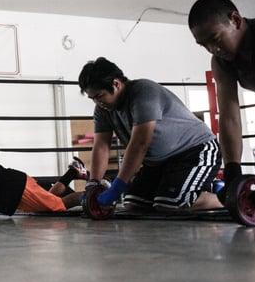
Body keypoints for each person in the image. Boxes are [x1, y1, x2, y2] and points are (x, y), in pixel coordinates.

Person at [78, 57, 222, 211]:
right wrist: (93, 183)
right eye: (92, 98)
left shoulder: (143, 92)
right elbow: (101, 146)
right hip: (158, 163)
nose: (97, 102)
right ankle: (188, 188)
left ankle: (228, 198)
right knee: (133, 204)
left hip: (195, 151)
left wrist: (117, 187)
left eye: (99, 96)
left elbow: (140, 144)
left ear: (116, 84)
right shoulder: (103, 109)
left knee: (172, 203)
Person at [188, 0, 255, 206]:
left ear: (235, 20)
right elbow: (229, 117)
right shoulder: (221, 62)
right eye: (204, 45)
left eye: (216, 39)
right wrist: (232, 173)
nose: (212, 49)